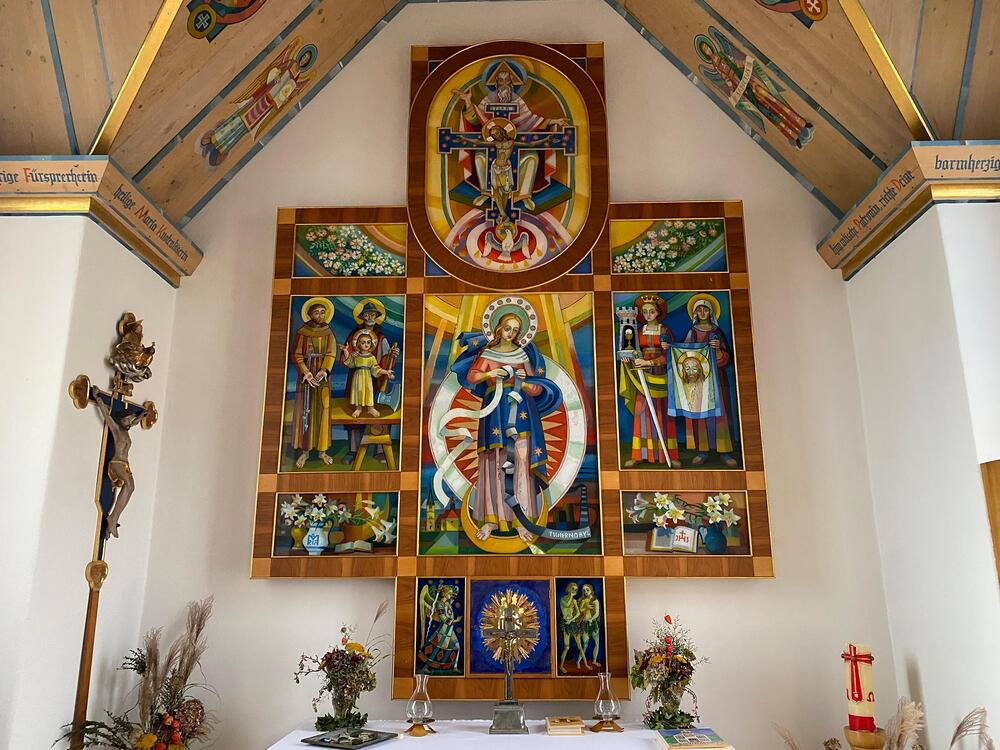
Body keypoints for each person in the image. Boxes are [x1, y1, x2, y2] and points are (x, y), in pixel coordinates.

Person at [451, 304, 562, 543]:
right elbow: (471, 377)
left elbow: (535, 389)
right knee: (494, 461)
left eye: (515, 330)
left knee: (521, 461)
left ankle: (522, 521)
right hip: (494, 410)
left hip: (521, 411)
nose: (510, 333)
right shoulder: (487, 354)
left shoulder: (522, 355)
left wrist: (525, 380)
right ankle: (492, 519)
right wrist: (490, 374)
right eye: (507, 328)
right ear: (498, 328)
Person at [452, 60, 569, 209]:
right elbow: (476, 120)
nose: (503, 84)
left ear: (512, 83)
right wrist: (468, 102)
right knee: (480, 156)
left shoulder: (517, 100)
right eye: (500, 81)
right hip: (491, 148)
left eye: (507, 80)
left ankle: (523, 196)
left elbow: (532, 121)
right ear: (495, 83)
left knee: (531, 157)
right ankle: (486, 193)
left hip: (517, 148)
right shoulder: (488, 100)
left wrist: (555, 121)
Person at [619, 295, 680, 467]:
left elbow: (670, 355)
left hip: (661, 375)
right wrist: (628, 358)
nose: (648, 314)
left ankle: (670, 455)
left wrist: (650, 362)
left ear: (658, 312)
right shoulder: (638, 332)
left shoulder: (665, 331)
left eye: (651, 311)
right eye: (645, 312)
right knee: (642, 412)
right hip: (642, 376)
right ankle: (639, 455)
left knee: (663, 413)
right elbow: (632, 350)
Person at [682, 295, 738, 467]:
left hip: (717, 380)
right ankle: (703, 451)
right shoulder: (692, 332)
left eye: (705, 310)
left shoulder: (717, 331)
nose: (702, 313)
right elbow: (684, 353)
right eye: (699, 310)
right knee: (701, 415)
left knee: (720, 414)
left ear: (711, 312)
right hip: (699, 381)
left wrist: (718, 351)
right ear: (695, 313)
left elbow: (727, 358)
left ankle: (724, 451)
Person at [341, 299, 399, 464]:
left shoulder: (381, 337)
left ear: (376, 316)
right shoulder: (354, 334)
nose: (370, 317)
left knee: (378, 411)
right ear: (362, 316)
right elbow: (346, 358)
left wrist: (392, 355)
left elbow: (386, 360)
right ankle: (353, 450)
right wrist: (348, 353)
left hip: (376, 379)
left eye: (373, 314)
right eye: (367, 314)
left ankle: (380, 451)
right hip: (356, 378)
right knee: (355, 410)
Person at [90, 387, 146, 540]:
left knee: (131, 487)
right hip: (116, 462)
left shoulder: (127, 431)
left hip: (125, 464)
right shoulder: (117, 430)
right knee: (128, 484)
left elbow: (135, 421)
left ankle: (114, 518)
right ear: (120, 420)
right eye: (126, 420)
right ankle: (113, 518)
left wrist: (141, 416)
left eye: (129, 420)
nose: (129, 422)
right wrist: (98, 398)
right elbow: (106, 415)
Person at [290, 299, 336, 468]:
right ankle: (305, 452)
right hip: (307, 376)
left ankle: (322, 451)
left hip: (322, 376)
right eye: (316, 312)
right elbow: (297, 354)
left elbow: (331, 353)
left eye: (323, 312)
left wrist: (324, 371)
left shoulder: (328, 332)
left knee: (323, 409)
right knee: (305, 410)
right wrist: (306, 373)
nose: (320, 315)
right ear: (309, 314)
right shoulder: (303, 332)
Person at [339, 331, 395, 418]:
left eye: (368, 342)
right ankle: (358, 409)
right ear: (358, 344)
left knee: (369, 392)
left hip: (367, 377)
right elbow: (350, 363)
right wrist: (345, 350)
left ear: (371, 344)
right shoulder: (356, 355)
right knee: (358, 391)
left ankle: (370, 408)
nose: (366, 345)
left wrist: (386, 372)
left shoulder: (371, 357)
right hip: (357, 377)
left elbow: (376, 368)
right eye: (363, 342)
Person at [418, 583, 462, 673]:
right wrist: (455, 621)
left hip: (450, 630)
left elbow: (456, 589)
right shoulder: (439, 604)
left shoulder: (449, 602)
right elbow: (443, 618)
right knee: (437, 648)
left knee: (456, 647)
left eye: (451, 593)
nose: (451, 595)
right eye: (449, 593)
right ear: (444, 593)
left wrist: (443, 587)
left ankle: (454, 667)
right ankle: (426, 667)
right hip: (444, 629)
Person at [559, 582, 583, 672]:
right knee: (567, 647)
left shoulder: (574, 601)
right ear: (569, 589)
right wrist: (571, 596)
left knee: (579, 645)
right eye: (573, 589)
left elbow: (578, 613)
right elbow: (566, 605)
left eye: (576, 589)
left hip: (572, 623)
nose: (574, 591)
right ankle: (561, 666)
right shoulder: (563, 599)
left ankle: (584, 663)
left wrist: (572, 619)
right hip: (565, 623)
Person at [578, 583, 601, 669]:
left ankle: (594, 660)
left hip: (593, 623)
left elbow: (597, 613)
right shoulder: (583, 600)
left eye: (587, 590)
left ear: (591, 590)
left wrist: (591, 619)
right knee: (585, 644)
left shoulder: (595, 601)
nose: (585, 592)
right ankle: (579, 661)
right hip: (585, 624)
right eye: (584, 590)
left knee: (597, 643)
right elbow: (580, 610)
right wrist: (586, 607)